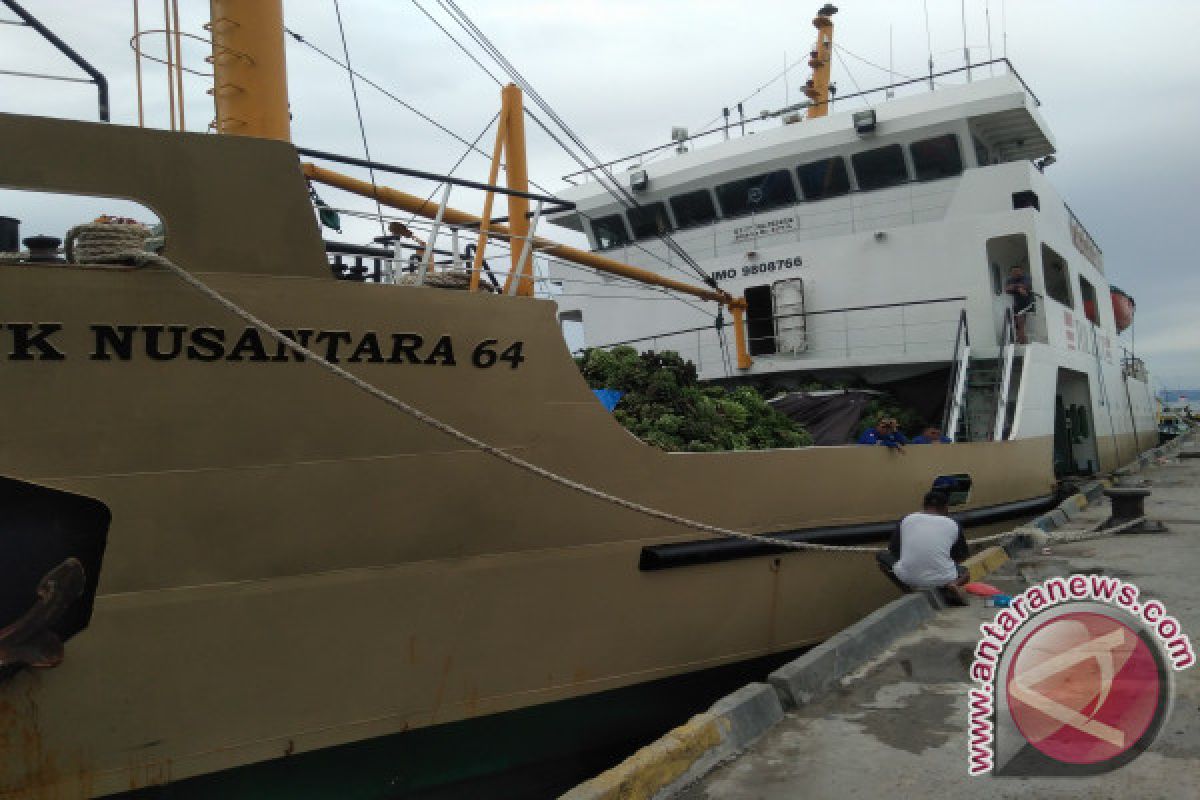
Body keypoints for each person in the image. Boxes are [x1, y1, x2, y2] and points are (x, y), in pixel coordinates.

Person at [875, 491, 969, 601]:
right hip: (943, 580)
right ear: (946, 507)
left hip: (908, 577)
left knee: (881, 556)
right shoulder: (953, 524)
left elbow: (894, 551)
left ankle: (908, 590)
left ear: (923, 506)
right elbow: (961, 556)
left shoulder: (907, 519)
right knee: (965, 573)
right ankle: (953, 584)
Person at [1004, 265, 1034, 344]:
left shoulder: (1026, 278)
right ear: (1011, 273)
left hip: (1027, 303)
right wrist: (1018, 287)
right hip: (1017, 304)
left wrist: (1016, 287)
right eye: (1014, 272)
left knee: (1020, 321)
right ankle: (1020, 338)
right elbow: (1007, 289)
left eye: (1017, 271)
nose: (1016, 273)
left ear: (1021, 271)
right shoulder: (1010, 279)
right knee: (1016, 323)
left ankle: (1023, 341)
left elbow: (1026, 286)